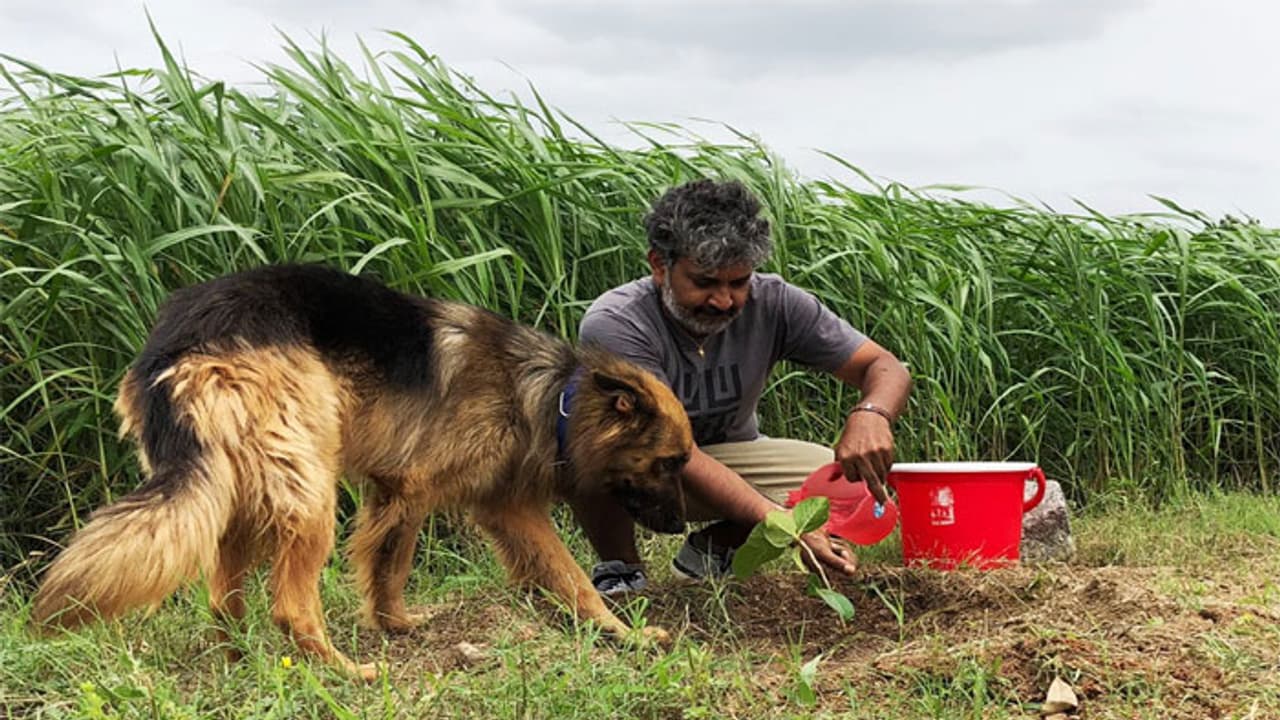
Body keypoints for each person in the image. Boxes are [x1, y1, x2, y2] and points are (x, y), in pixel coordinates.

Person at [573, 178, 912, 595]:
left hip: (731, 455)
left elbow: (884, 365)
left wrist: (871, 414)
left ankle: (713, 550)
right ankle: (621, 568)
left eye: (738, 283)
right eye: (705, 283)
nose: (724, 301)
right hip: (644, 467)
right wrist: (786, 527)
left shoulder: (777, 303)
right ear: (659, 266)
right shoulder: (617, 323)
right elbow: (678, 452)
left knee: (840, 481)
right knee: (591, 454)